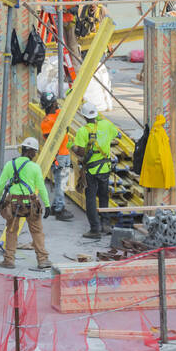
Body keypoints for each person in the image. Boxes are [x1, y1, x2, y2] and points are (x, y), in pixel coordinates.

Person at [0, 137, 53, 270]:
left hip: (13, 203)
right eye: (35, 152)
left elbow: (0, 185)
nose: (35, 155)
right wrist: (47, 205)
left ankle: (9, 260)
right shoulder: (35, 167)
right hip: (30, 204)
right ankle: (42, 260)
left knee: (11, 231)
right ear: (31, 152)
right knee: (37, 231)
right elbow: (41, 187)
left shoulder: (10, 165)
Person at [71, 103, 119, 240]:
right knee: (104, 196)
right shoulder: (106, 125)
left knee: (91, 198)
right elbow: (117, 135)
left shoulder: (83, 131)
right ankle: (106, 225)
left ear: (84, 116)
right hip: (105, 168)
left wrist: (72, 147)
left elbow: (80, 152)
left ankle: (95, 229)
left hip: (91, 170)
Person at [38, 91, 73, 221]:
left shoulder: (57, 114)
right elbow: (51, 141)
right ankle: (59, 208)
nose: (57, 104)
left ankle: (55, 205)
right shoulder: (47, 122)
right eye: (55, 102)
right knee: (60, 183)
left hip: (64, 154)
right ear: (51, 105)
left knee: (61, 181)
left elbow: (66, 110)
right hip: (59, 156)